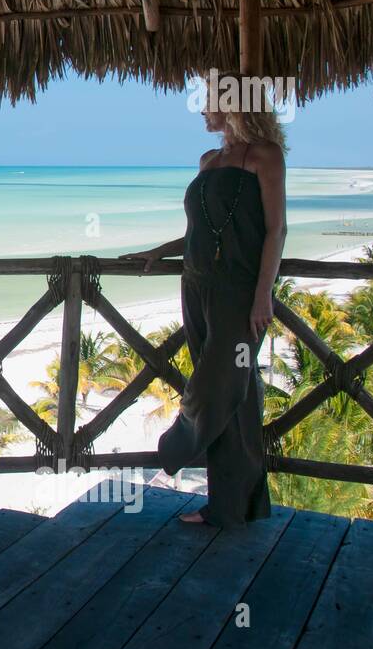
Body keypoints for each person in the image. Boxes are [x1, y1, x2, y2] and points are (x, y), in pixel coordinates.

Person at [120, 74, 287, 527]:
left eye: (209, 102)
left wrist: (262, 296)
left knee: (221, 383)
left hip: (238, 291)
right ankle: (234, 506)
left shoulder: (265, 157)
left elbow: (276, 230)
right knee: (238, 398)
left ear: (234, 105)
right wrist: (160, 251)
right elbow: (201, 230)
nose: (201, 110)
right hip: (194, 285)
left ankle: (175, 445)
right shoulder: (208, 159)